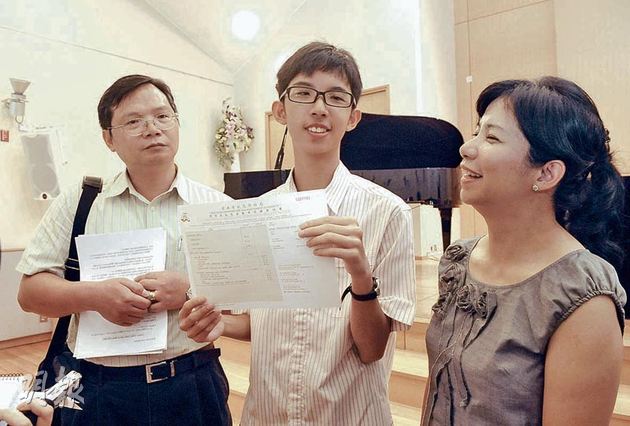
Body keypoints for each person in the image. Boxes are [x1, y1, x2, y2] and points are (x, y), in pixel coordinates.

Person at [179, 42, 417, 424]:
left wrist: (360, 275)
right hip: (267, 414)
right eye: (304, 93)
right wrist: (220, 324)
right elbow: (264, 322)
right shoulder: (258, 212)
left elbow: (372, 349)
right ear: (280, 111)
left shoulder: (387, 212)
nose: (319, 108)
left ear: (353, 117)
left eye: (335, 97)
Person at [17, 74, 232, 425]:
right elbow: (30, 294)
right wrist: (95, 296)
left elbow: (244, 303)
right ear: (109, 139)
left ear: (177, 124)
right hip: (97, 389)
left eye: (162, 116)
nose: (152, 129)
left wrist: (189, 290)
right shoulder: (81, 201)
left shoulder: (216, 206)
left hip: (192, 383)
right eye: (134, 121)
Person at [421, 77, 626, 424]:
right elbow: (438, 391)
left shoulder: (581, 296)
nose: (466, 148)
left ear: (546, 174)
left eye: (492, 138)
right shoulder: (458, 260)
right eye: (477, 132)